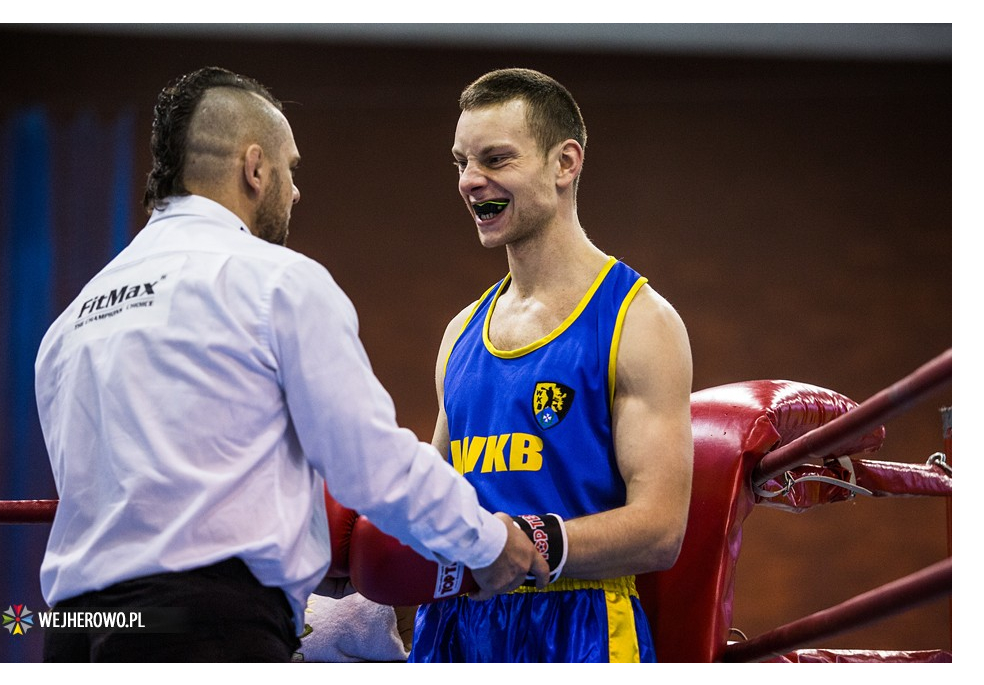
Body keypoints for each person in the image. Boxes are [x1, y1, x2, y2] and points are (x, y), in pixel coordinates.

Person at [34, 66, 548, 663]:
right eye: (290, 168)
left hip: (73, 631)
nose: (295, 190)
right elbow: (371, 466)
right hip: (205, 628)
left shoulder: (69, 324)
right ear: (255, 168)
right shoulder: (273, 281)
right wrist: (488, 543)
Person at [407, 68, 695, 663]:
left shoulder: (638, 322)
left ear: (565, 164)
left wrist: (527, 541)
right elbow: (431, 500)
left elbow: (661, 528)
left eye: (495, 158)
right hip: (455, 628)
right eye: (460, 161)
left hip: (580, 628)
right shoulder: (461, 332)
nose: (469, 180)